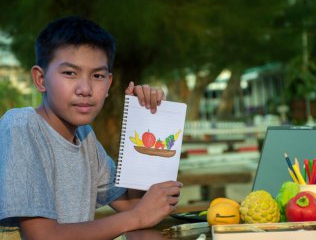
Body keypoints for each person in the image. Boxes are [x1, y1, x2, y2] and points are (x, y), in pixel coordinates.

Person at [0, 16, 182, 239]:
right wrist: (139, 217)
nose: (85, 89)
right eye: (69, 73)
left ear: (108, 84)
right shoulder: (21, 126)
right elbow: (43, 236)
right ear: (40, 79)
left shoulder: (85, 138)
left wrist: (144, 119)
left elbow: (135, 204)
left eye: (97, 76)